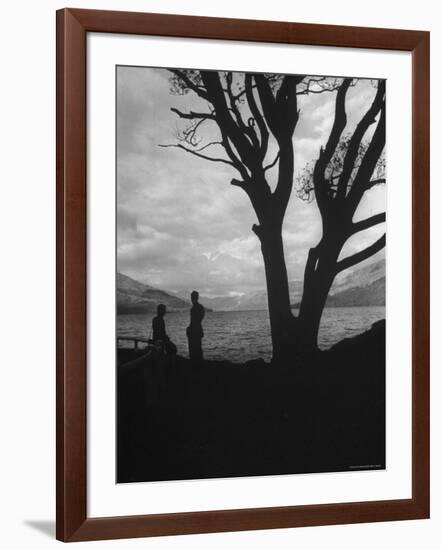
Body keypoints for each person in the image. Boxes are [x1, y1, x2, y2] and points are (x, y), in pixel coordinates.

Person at [186, 290, 205, 364]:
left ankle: (194, 365)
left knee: (193, 349)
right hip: (198, 330)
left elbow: (193, 321)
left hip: (193, 331)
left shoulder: (193, 309)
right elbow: (199, 320)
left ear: (192, 298)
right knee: (198, 348)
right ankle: (199, 364)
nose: (191, 298)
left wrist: (189, 329)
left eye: (192, 297)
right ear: (198, 297)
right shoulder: (201, 307)